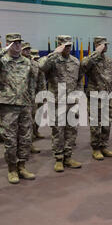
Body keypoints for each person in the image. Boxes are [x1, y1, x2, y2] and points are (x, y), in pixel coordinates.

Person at [0, 33, 36, 184]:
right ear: (8, 45)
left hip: (25, 105)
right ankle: (12, 168)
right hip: (8, 107)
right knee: (10, 139)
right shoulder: (1, 61)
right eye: (14, 43)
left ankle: (22, 166)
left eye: (19, 42)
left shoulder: (27, 62)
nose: (18, 45)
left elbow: (31, 81)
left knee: (25, 138)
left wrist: (31, 100)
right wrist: (2, 50)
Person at [39, 35, 84, 172]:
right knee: (58, 131)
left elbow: (79, 81)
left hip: (72, 101)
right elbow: (41, 67)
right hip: (57, 102)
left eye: (70, 46)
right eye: (65, 46)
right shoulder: (52, 61)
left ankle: (68, 157)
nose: (68, 48)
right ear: (59, 46)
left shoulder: (75, 61)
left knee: (71, 131)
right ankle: (58, 158)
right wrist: (54, 53)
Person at [81, 36, 112, 161]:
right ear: (97, 45)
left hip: (108, 95)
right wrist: (96, 52)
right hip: (95, 96)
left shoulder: (109, 60)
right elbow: (83, 66)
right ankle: (96, 148)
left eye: (106, 44)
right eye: (102, 44)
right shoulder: (90, 59)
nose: (105, 46)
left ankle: (104, 146)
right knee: (95, 123)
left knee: (107, 122)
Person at [21, 42, 46, 154]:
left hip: (31, 99)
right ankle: (18, 147)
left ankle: (29, 144)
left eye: (28, 49)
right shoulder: (14, 63)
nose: (27, 51)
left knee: (30, 123)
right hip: (15, 100)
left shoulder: (35, 65)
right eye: (25, 49)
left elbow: (41, 81)